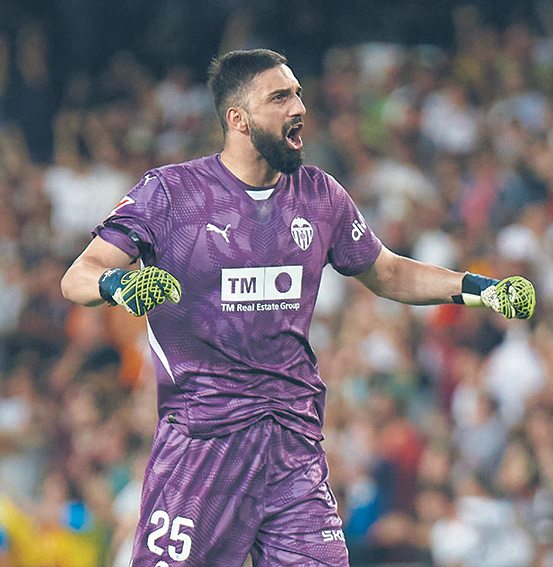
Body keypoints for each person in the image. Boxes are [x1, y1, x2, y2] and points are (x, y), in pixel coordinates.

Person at [60, 49, 536, 567]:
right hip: (203, 449)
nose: (298, 107)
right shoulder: (173, 193)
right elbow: (77, 276)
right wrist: (118, 284)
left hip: (293, 449)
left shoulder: (319, 195)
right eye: (280, 97)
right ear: (237, 119)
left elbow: (389, 271)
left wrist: (479, 287)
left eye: (299, 94)